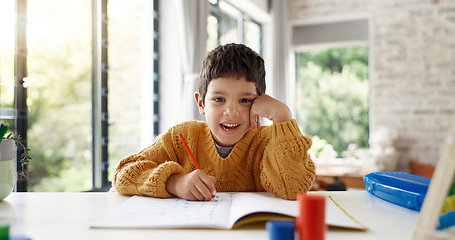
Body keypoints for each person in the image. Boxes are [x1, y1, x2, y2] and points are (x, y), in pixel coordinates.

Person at [112, 43, 315, 201]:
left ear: (261, 102)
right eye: (219, 99)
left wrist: (282, 115)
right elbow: (123, 174)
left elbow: (292, 189)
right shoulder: (180, 137)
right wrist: (174, 183)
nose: (231, 111)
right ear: (201, 103)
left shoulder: (269, 142)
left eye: (245, 100)